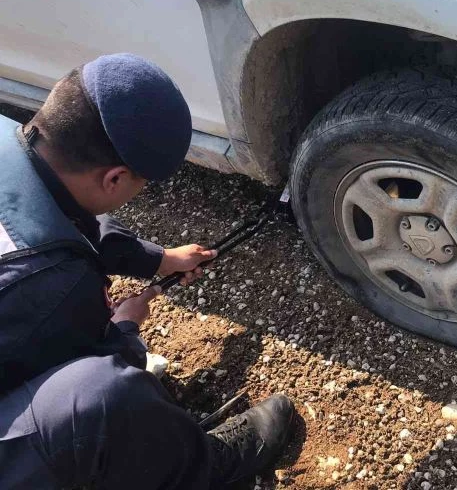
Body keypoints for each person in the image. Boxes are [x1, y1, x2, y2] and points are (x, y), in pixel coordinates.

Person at [0, 54, 295, 488]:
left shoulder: (14, 137)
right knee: (100, 398)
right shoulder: (54, 290)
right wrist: (123, 335)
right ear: (115, 179)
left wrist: (160, 260)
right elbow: (75, 364)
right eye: (139, 186)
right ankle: (200, 466)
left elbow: (64, 215)